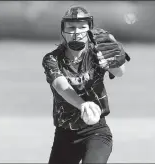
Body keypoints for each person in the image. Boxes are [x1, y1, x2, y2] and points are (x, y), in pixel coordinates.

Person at [42, 5, 130, 164]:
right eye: (71, 27)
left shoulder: (97, 53)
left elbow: (120, 72)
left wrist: (112, 61)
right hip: (65, 135)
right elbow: (61, 87)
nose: (76, 32)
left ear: (90, 29)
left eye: (82, 27)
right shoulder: (52, 59)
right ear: (63, 31)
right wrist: (82, 104)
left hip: (96, 132)